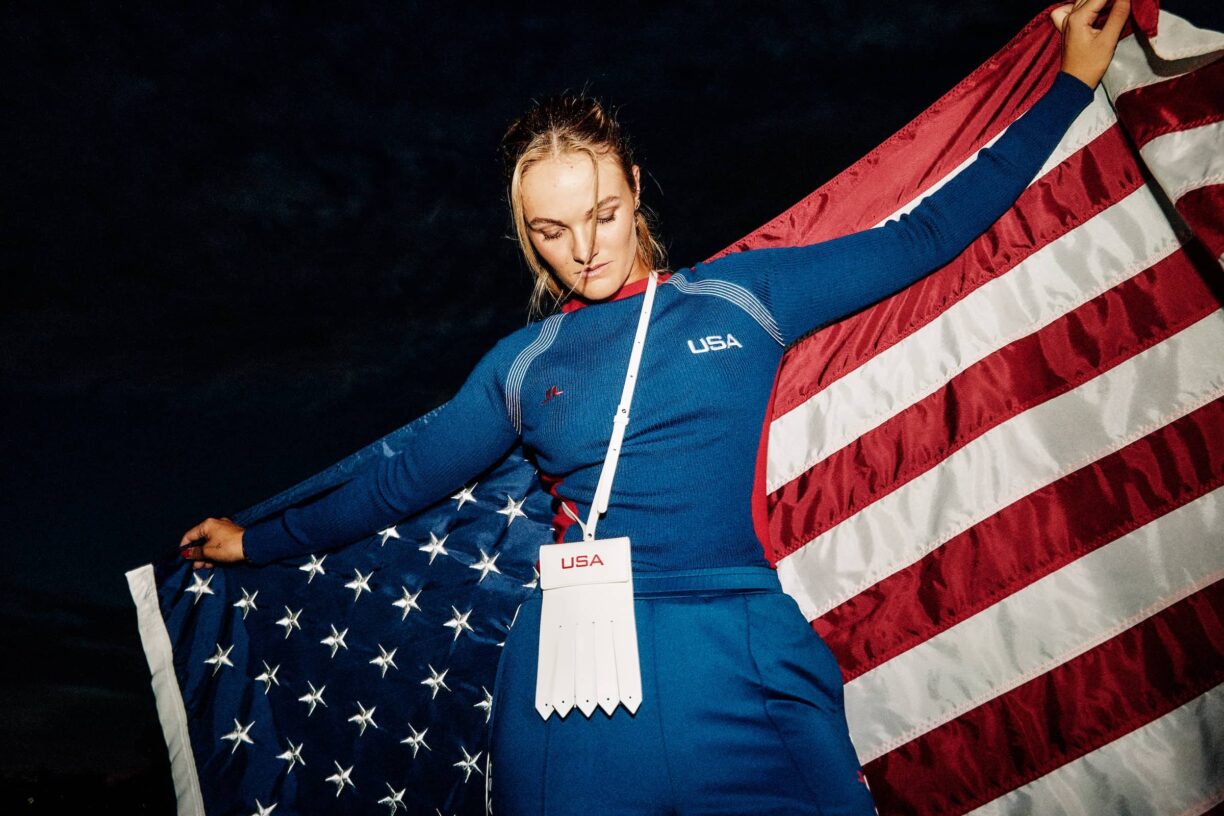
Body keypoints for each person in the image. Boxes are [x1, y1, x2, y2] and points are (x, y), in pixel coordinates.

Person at [180, 2, 1127, 813]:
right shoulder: (520, 366)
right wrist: (254, 542)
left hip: (742, 652)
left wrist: (1071, 87)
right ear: (527, 238)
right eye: (552, 230)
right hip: (573, 682)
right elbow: (398, 483)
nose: (584, 248)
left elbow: (927, 233)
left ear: (636, 192)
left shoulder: (743, 297)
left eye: (601, 212)